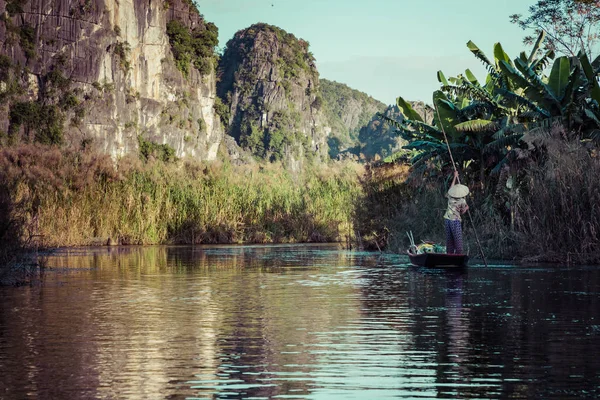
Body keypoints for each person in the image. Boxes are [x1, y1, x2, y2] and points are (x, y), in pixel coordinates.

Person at [444, 171, 469, 254]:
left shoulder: (450, 197)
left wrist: (455, 177)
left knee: (449, 241)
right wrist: (467, 207)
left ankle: (450, 254)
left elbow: (451, 189)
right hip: (455, 221)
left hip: (447, 220)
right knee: (458, 243)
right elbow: (462, 212)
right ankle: (458, 255)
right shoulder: (462, 200)